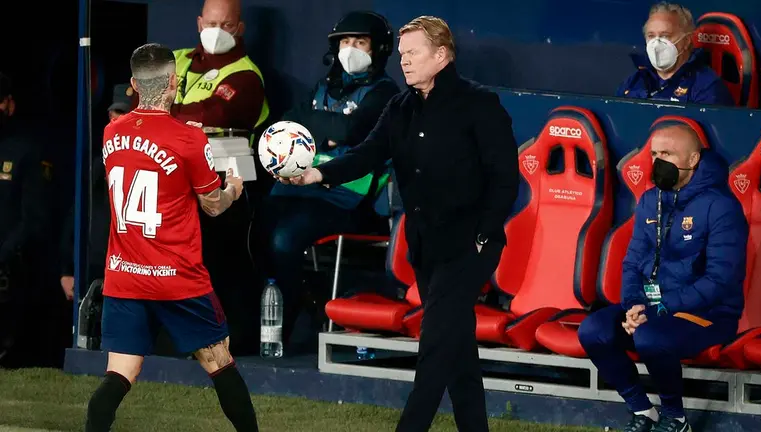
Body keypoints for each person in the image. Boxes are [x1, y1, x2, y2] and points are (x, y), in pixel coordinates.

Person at [279, 16, 519, 432]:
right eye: (403, 54)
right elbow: (367, 155)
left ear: (441, 56)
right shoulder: (401, 108)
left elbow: (505, 177)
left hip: (470, 245)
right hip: (425, 244)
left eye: (413, 54)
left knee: (434, 346)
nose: (404, 62)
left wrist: (485, 232)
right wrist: (318, 175)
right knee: (456, 349)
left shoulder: (479, 104)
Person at [85, 43, 258, 432]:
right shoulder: (188, 140)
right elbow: (212, 205)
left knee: (120, 373)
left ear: (133, 85)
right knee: (219, 362)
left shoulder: (112, 132)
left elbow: (147, 146)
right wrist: (233, 186)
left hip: (124, 275)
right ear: (175, 84)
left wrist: (186, 138)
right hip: (177, 278)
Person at [577, 124, 747, 432]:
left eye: (666, 154)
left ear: (693, 159)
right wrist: (633, 304)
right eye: (654, 154)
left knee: (650, 336)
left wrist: (656, 309)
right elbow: (632, 262)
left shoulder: (722, 207)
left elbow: (719, 281)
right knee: (593, 329)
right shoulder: (649, 201)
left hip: (708, 315)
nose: (658, 161)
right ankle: (643, 411)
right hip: (653, 310)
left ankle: (675, 418)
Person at [261, 10, 400, 351]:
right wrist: (330, 131)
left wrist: (317, 126)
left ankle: (287, 322)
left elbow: (351, 129)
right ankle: (274, 312)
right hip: (296, 189)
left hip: (347, 200)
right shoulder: (323, 87)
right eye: (345, 42)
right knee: (253, 232)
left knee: (283, 239)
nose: (350, 48)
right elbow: (288, 120)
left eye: (360, 42)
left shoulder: (386, 93)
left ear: (379, 49)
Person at [60, 85, 132, 301]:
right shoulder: (97, 165)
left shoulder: (150, 163)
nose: (119, 121)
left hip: (132, 272)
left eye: (126, 115)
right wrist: (67, 269)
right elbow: (77, 214)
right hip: (95, 270)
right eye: (116, 114)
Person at [0, 71, 52, 365]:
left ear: (8, 104)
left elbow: (34, 218)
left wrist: (5, 253)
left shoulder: (26, 150)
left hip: (12, 268)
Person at [171, 0, 269, 133]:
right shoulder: (173, 59)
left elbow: (214, 115)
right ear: (200, 24)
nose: (217, 32)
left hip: (217, 152)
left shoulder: (247, 75)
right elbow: (139, 104)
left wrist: (159, 115)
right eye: (211, 24)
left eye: (227, 25)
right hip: (159, 150)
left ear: (240, 28)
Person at [617, 2, 734, 106]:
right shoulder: (633, 82)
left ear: (687, 40)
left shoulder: (706, 87)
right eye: (651, 36)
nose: (656, 44)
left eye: (665, 36)